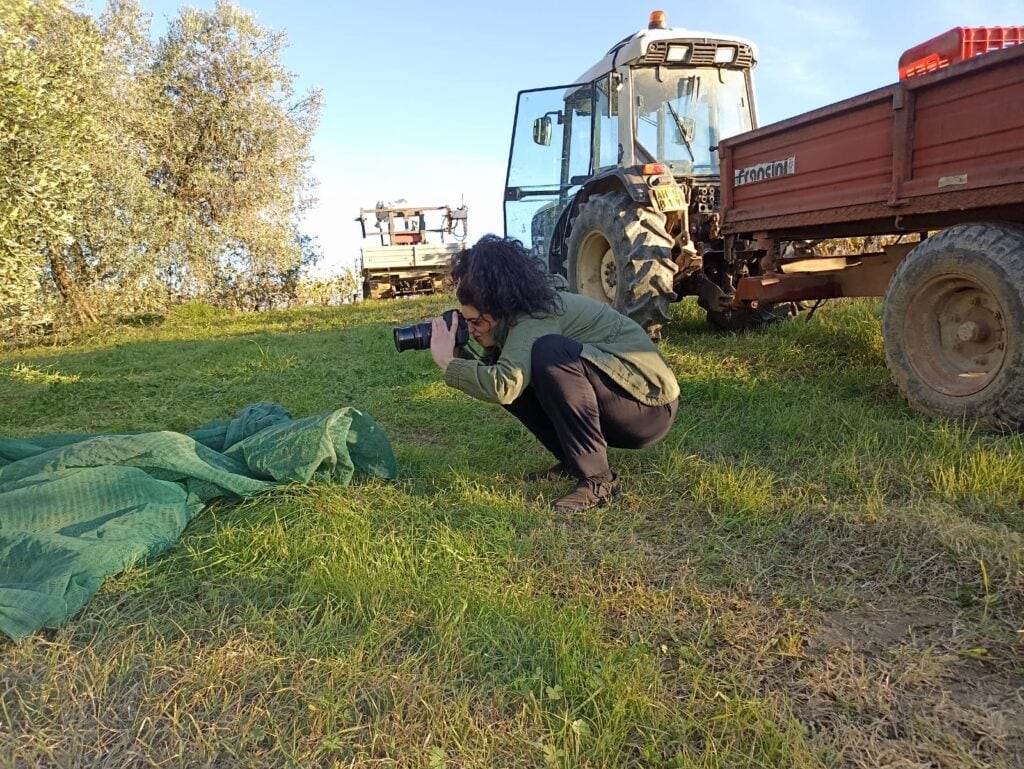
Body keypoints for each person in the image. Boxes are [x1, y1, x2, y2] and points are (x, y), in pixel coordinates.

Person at [429, 234, 679, 512]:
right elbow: (502, 378)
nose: (472, 329)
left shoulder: (536, 317)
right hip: (624, 399)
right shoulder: (522, 313)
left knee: (549, 353)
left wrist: (448, 363)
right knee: (512, 368)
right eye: (467, 322)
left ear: (500, 307)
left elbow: (503, 386)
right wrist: (460, 353)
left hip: (649, 409)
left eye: (476, 321)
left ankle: (599, 481)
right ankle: (575, 462)